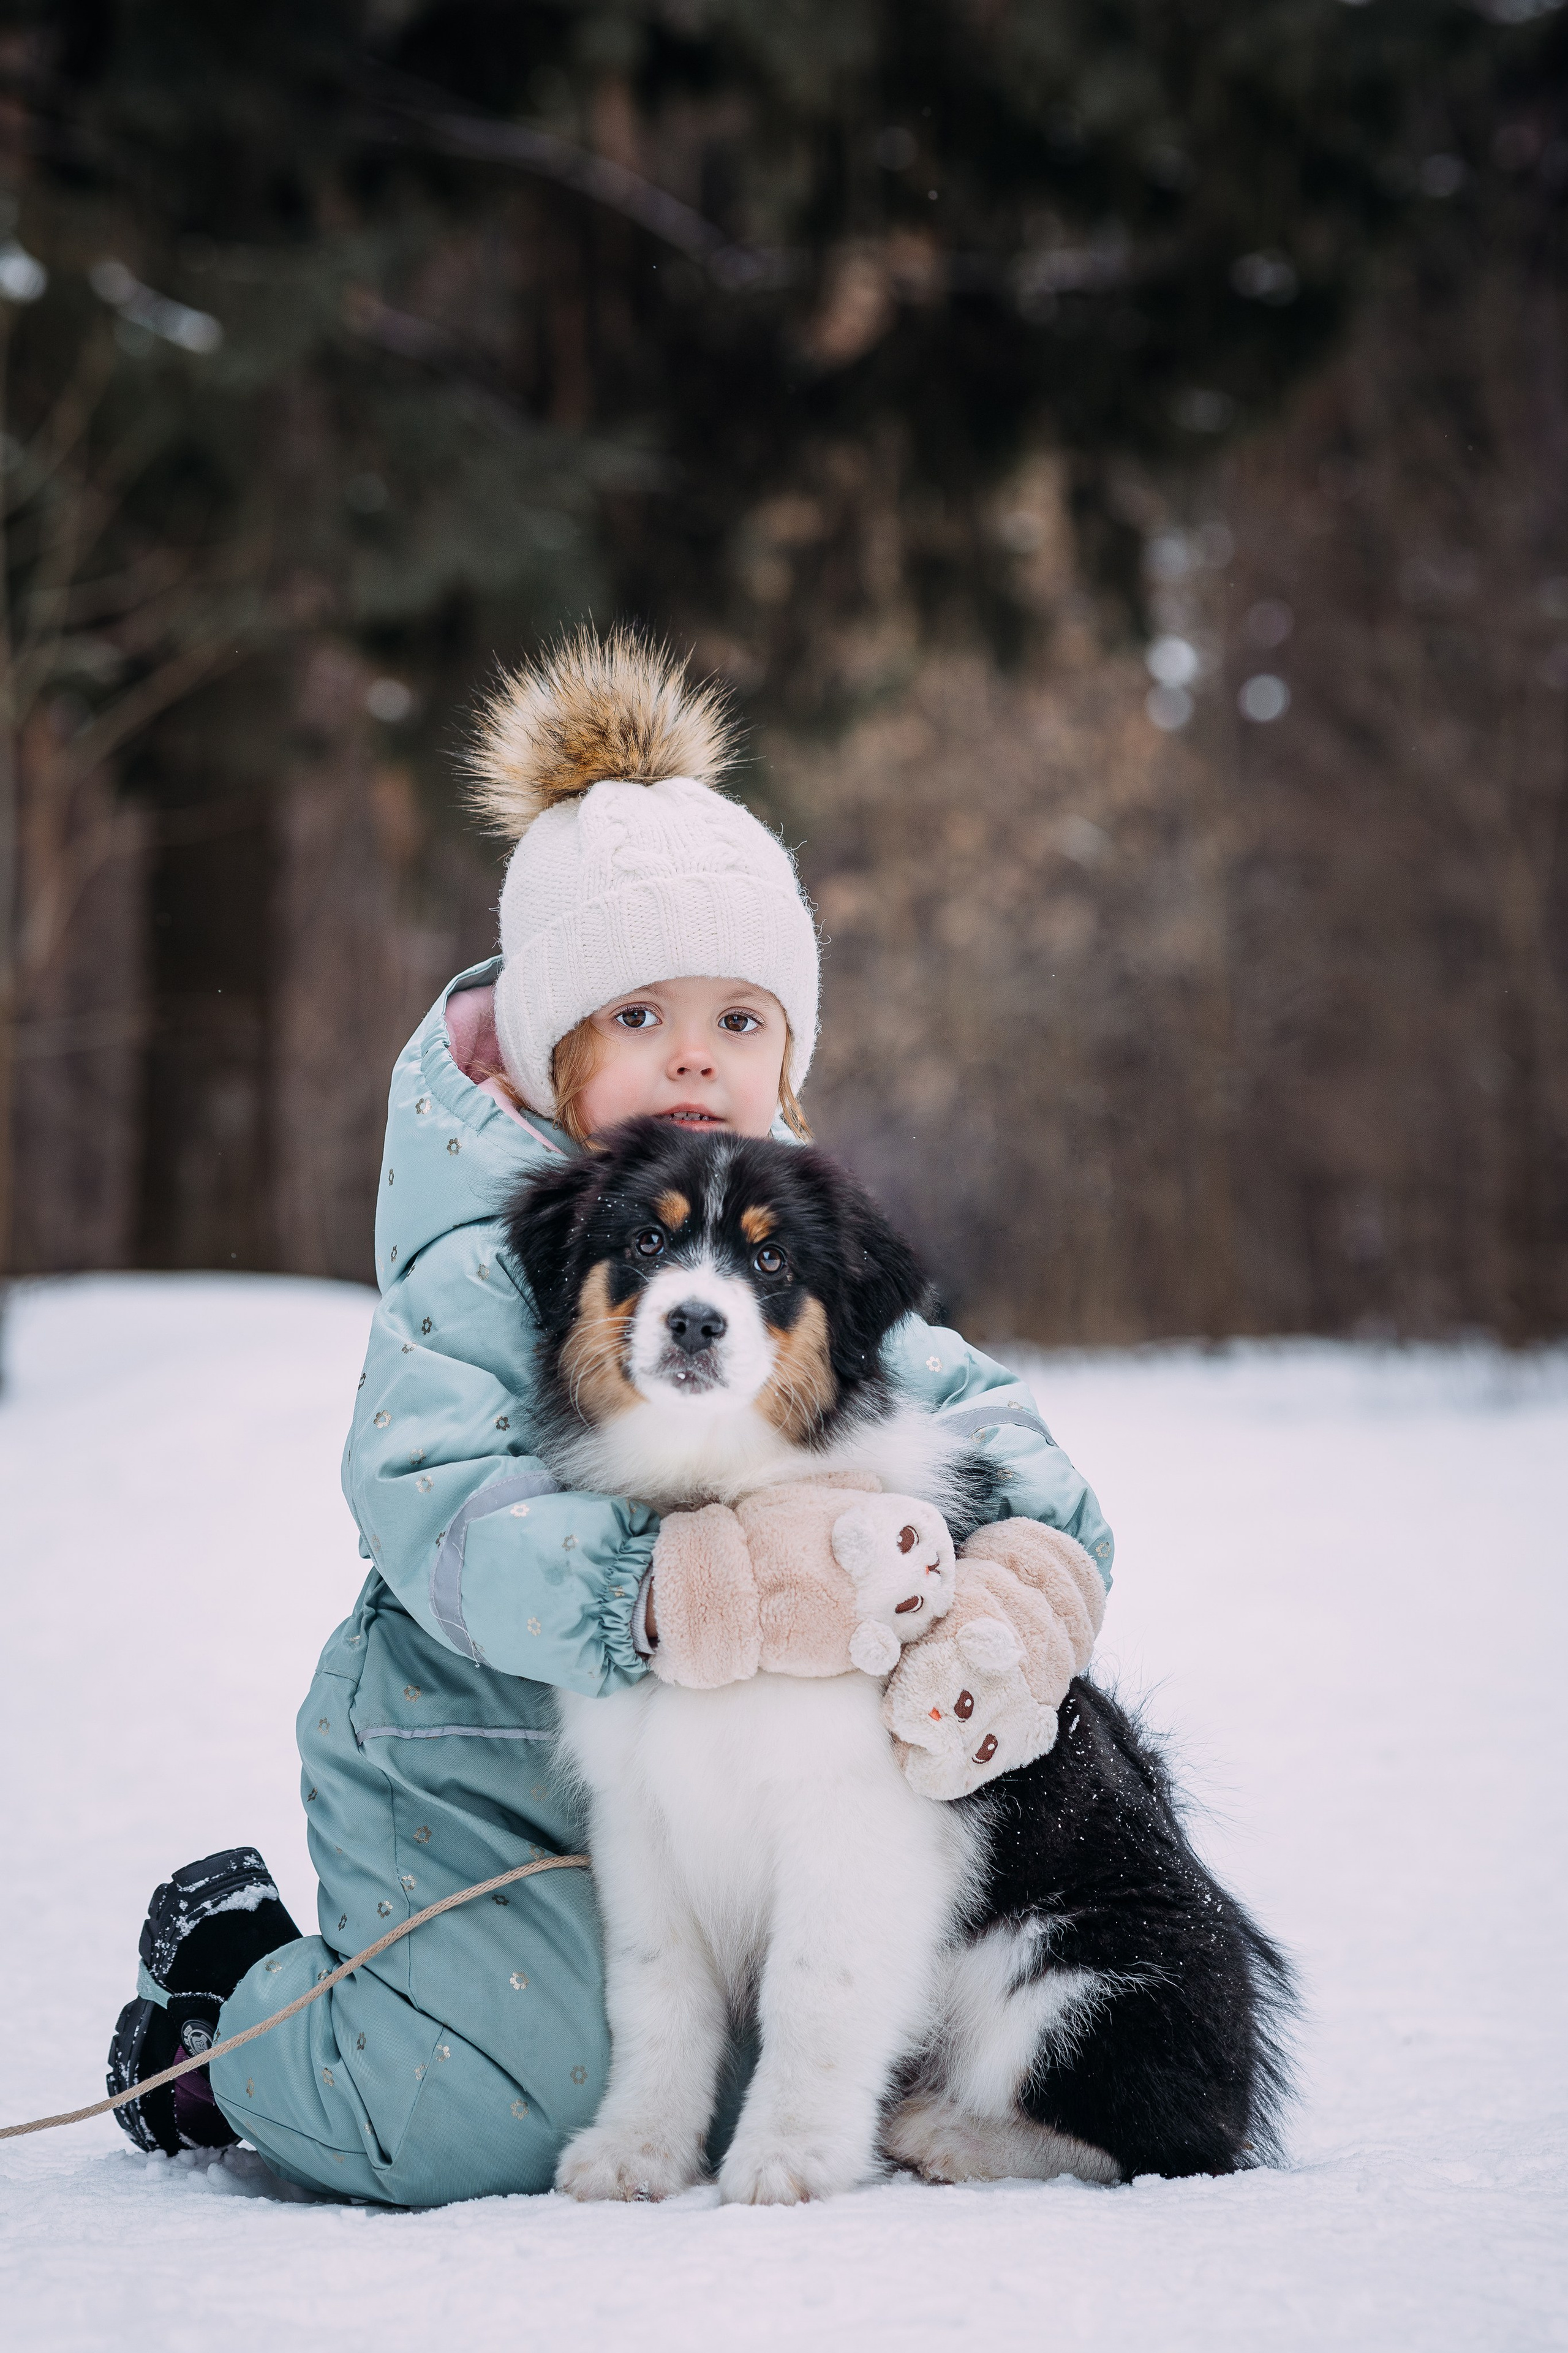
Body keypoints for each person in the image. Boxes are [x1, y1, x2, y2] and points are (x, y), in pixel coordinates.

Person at [107, 629, 1115, 2205]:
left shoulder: (788, 1266)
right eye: (637, 1015)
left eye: (739, 1017)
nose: (694, 1054)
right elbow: (439, 1514)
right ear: (548, 1044)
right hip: (472, 1756)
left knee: (747, 2056)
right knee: (478, 2114)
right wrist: (680, 1589)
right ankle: (221, 2018)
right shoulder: (477, 1264)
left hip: (701, 1794)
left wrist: (1016, 1590)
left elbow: (994, 1439)